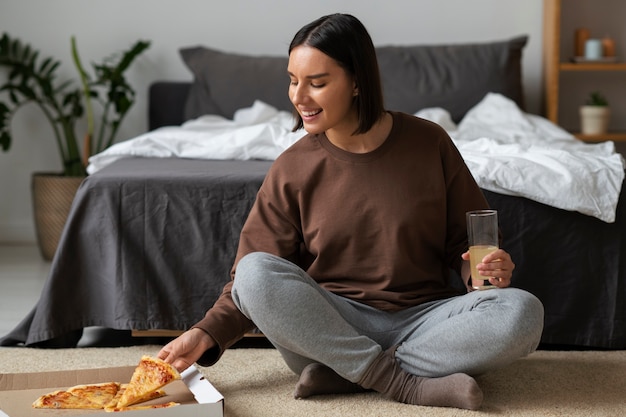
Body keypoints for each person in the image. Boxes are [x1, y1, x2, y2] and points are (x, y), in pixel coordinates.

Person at [158, 13, 544, 411]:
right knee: (256, 272)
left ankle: (350, 374)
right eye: (293, 80)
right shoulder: (293, 167)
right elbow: (250, 282)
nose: (298, 97)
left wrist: (483, 271)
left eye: (317, 83)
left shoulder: (429, 142)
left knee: (522, 312)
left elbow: (468, 244)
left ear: (358, 81)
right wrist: (205, 334)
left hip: (426, 319)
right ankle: (404, 382)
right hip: (332, 326)